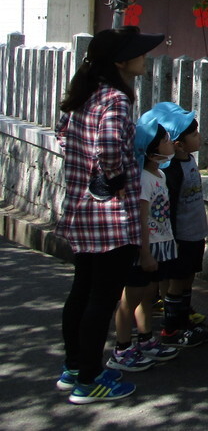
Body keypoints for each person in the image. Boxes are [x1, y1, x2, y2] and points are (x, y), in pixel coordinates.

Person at [56, 26, 163, 404]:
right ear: (120, 61)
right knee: (102, 297)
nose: (144, 57)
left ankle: (74, 368)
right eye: (138, 52)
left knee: (82, 290)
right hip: (111, 218)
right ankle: (90, 379)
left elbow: (63, 134)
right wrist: (117, 180)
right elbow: (109, 148)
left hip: (81, 210)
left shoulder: (85, 95)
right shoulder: (115, 99)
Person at [109, 113, 181, 372]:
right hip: (145, 247)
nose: (171, 142)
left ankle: (146, 338)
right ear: (151, 152)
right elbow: (140, 217)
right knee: (132, 297)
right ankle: (122, 347)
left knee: (149, 295)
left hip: (159, 243)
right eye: (164, 140)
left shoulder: (159, 174)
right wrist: (145, 252)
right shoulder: (142, 179)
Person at [153, 102, 208, 347]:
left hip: (194, 233)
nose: (199, 138)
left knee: (187, 278)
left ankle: (183, 317)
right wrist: (172, 240)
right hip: (180, 237)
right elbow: (171, 209)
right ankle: (171, 329)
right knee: (177, 282)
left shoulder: (189, 161)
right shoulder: (171, 172)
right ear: (178, 143)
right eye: (194, 134)